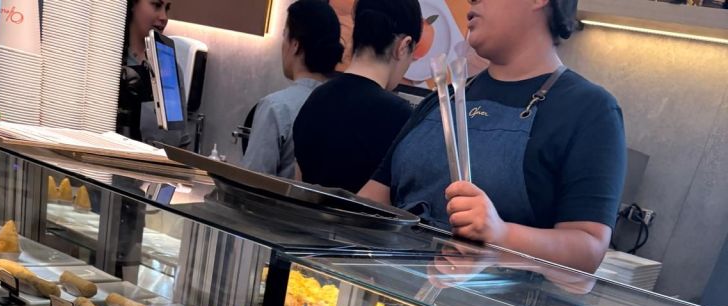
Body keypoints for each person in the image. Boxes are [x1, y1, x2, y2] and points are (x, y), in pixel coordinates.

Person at [360, 0, 626, 273]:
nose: (471, 0)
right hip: (393, 303)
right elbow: (374, 198)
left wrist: (501, 235)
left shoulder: (590, 110)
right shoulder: (445, 97)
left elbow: (589, 249)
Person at [293, 0, 421, 194]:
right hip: (361, 225)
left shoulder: (316, 98)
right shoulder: (400, 115)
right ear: (404, 46)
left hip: (306, 221)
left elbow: (299, 183)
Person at [242, 1, 343, 179]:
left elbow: (251, 183)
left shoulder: (276, 107)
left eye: (284, 36)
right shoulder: (342, 106)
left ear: (295, 45)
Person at [117, 0, 190, 148]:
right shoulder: (110, 63)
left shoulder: (172, 68)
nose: (164, 17)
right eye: (156, 5)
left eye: (167, 8)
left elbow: (182, 141)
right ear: (132, 5)